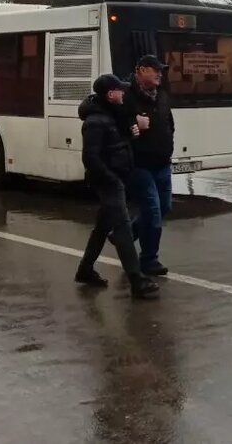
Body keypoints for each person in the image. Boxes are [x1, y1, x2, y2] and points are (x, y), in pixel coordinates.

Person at [75, 74, 160, 299]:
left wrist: (131, 132)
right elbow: (90, 158)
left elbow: (117, 146)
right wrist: (111, 179)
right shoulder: (95, 122)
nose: (123, 93)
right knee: (122, 227)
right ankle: (136, 280)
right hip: (108, 181)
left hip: (118, 178)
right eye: (120, 91)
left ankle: (85, 270)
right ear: (110, 94)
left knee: (103, 226)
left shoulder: (112, 115)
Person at [122, 55, 176, 277]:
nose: (160, 74)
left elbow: (168, 123)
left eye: (161, 71)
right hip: (139, 164)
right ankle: (149, 260)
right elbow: (116, 126)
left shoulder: (161, 95)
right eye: (156, 70)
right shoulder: (126, 96)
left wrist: (168, 142)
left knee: (164, 207)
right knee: (152, 211)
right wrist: (134, 124)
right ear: (141, 70)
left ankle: (124, 235)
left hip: (162, 163)